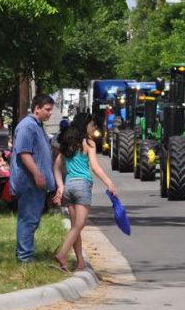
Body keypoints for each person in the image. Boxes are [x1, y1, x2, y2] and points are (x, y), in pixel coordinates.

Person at [51, 112, 118, 272]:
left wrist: (60, 187)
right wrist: (110, 183)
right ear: (85, 125)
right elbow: (95, 167)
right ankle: (62, 254)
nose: (93, 127)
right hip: (82, 186)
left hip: (68, 186)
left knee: (75, 227)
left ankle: (80, 262)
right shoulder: (89, 143)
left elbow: (56, 166)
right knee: (79, 226)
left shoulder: (67, 143)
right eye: (92, 125)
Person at [10, 93, 56, 263]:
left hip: (37, 184)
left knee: (32, 219)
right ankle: (24, 257)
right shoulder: (27, 126)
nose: (50, 113)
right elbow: (24, 152)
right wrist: (37, 173)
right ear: (37, 109)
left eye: (51, 110)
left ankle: (24, 253)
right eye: (47, 109)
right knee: (28, 219)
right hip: (29, 183)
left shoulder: (37, 126)